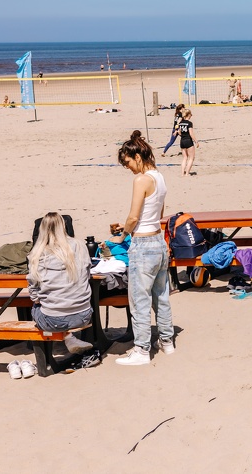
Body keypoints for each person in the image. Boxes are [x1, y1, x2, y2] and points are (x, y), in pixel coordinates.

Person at [110, 130, 173, 366]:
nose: (128, 168)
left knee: (139, 299)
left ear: (137, 157)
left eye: (127, 163)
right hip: (158, 241)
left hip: (143, 244)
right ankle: (167, 341)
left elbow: (134, 216)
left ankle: (142, 349)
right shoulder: (160, 177)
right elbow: (160, 213)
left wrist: (123, 234)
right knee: (161, 295)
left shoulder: (142, 179)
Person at [27, 212, 93, 355]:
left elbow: (34, 292)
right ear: (64, 226)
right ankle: (69, 337)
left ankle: (67, 337)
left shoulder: (37, 253)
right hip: (84, 315)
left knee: (36, 306)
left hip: (52, 320)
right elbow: (87, 275)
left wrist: (39, 299)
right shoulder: (80, 246)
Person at [177, 108, 199, 176]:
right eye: (191, 114)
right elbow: (191, 133)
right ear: (188, 115)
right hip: (188, 140)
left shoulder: (181, 123)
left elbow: (179, 132)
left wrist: (182, 135)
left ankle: (182, 173)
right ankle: (187, 173)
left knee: (184, 158)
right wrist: (196, 141)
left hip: (182, 141)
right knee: (191, 158)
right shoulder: (189, 123)